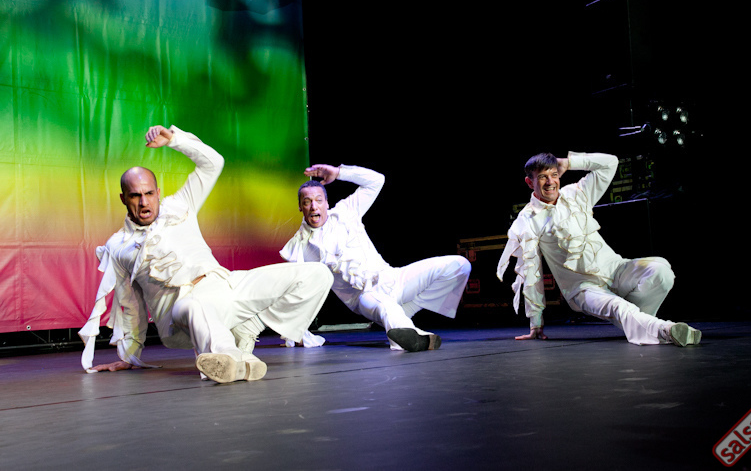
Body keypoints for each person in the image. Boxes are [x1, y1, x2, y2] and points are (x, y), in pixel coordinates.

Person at [78, 125, 333, 383]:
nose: (144, 202)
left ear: (158, 193)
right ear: (123, 198)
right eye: (135, 196)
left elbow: (213, 163)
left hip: (225, 286)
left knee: (318, 274)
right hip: (180, 314)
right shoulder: (118, 246)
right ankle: (233, 357)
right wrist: (129, 356)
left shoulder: (180, 205)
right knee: (194, 305)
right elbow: (131, 304)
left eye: (149, 193)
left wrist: (174, 140)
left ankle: (247, 332)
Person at [232, 164, 471, 352]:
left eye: (318, 200)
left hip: (393, 278)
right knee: (386, 306)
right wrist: (297, 333)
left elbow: (377, 181)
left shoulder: (347, 211)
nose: (314, 206)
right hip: (364, 297)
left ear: (326, 203)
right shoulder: (299, 248)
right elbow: (296, 295)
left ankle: (406, 316)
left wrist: (339, 173)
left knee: (459, 265)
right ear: (300, 207)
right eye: (307, 202)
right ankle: (413, 339)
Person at [497, 151, 701, 346]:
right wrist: (536, 322)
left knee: (661, 270)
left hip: (616, 270)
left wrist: (569, 162)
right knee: (618, 306)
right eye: (543, 177)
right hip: (584, 288)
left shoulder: (576, 193)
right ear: (529, 182)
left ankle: (641, 324)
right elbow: (532, 273)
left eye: (554, 175)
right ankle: (666, 330)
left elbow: (610, 163)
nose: (550, 182)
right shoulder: (527, 220)